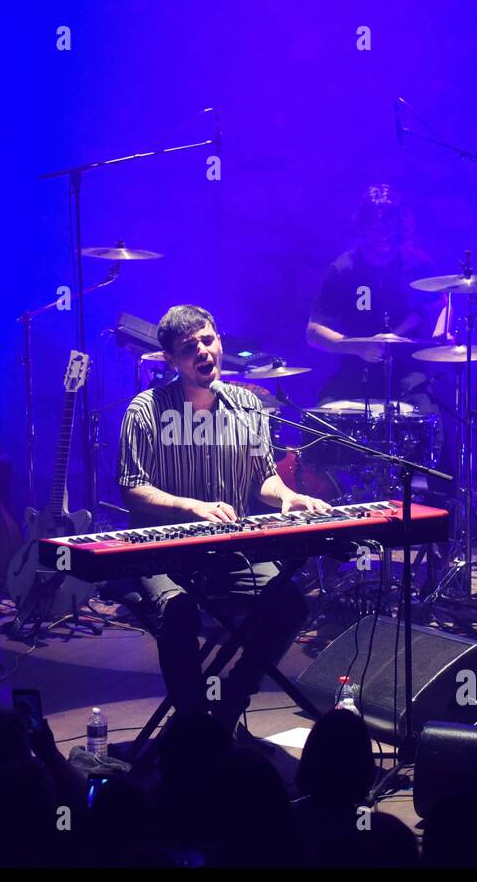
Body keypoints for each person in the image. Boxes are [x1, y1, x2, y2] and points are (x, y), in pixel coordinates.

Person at [117, 305, 328, 731]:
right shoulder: (145, 409)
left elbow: (263, 479)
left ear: (220, 342)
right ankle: (194, 725)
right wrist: (190, 506)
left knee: (289, 606)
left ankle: (232, 700)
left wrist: (289, 497)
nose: (203, 351)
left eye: (208, 339)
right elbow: (131, 486)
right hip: (164, 554)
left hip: (229, 551)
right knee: (179, 612)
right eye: (188, 347)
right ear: (171, 361)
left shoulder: (247, 406)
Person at [305, 183, 450, 410]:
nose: (383, 237)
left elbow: (443, 302)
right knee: (322, 415)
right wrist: (357, 348)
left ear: (401, 229)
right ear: (363, 227)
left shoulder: (418, 265)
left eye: (390, 229)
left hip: (410, 372)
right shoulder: (344, 269)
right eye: (376, 228)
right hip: (356, 372)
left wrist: (444, 329)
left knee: (428, 416)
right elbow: (314, 332)